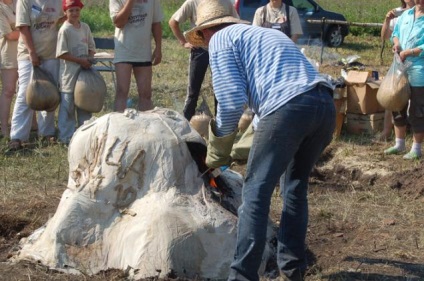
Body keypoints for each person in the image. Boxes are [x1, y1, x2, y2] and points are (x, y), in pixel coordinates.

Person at [184, 0, 335, 280]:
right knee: (294, 188)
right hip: (324, 104)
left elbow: (230, 103)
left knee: (255, 194)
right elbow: (261, 104)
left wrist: (217, 151)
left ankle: (242, 276)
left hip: (289, 106)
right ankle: (292, 269)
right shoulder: (264, 35)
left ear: (205, 32)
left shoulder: (220, 40)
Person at [8, 0, 64, 150]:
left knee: (49, 92)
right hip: (28, 54)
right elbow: (23, 28)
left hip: (51, 53)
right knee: (25, 94)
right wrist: (32, 53)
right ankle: (17, 136)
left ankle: (47, 132)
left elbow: (61, 18)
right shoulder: (25, 1)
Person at [168, 0, 239, 121]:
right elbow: (173, 22)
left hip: (221, 50)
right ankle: (186, 123)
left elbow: (235, 22)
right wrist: (184, 42)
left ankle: (220, 124)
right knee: (193, 91)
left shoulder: (225, 3)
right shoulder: (192, 2)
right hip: (199, 50)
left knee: (220, 90)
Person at [384, 0, 424, 160]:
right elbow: (396, 34)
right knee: (396, 102)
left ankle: (416, 148)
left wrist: (410, 52)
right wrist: (397, 45)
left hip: (419, 69)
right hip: (400, 66)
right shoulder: (406, 14)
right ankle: (399, 143)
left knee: (417, 109)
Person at [109, 0, 163, 112]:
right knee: (122, 92)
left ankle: (145, 127)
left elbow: (156, 23)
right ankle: (118, 127)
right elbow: (119, 23)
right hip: (124, 51)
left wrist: (158, 48)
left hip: (143, 52)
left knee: (146, 94)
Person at [56, 0, 95, 145]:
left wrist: (89, 58)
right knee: (68, 105)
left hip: (84, 72)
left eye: (77, 10)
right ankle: (66, 137)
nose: (74, 13)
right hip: (69, 74)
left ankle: (85, 135)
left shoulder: (85, 27)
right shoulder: (65, 30)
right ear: (65, 12)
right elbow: (61, 54)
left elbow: (91, 47)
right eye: (71, 10)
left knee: (84, 102)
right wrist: (80, 61)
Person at [377, 0, 415, 141]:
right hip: (399, 62)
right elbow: (385, 37)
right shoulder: (397, 13)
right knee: (393, 94)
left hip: (417, 61)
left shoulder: (421, 12)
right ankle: (387, 131)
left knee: (417, 98)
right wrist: (387, 20)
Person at [0, 0, 19, 139]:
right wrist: (27, 29)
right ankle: (4, 128)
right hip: (8, 54)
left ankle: (31, 124)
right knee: (8, 90)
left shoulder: (20, 2)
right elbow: (9, 35)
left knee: (25, 90)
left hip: (25, 53)